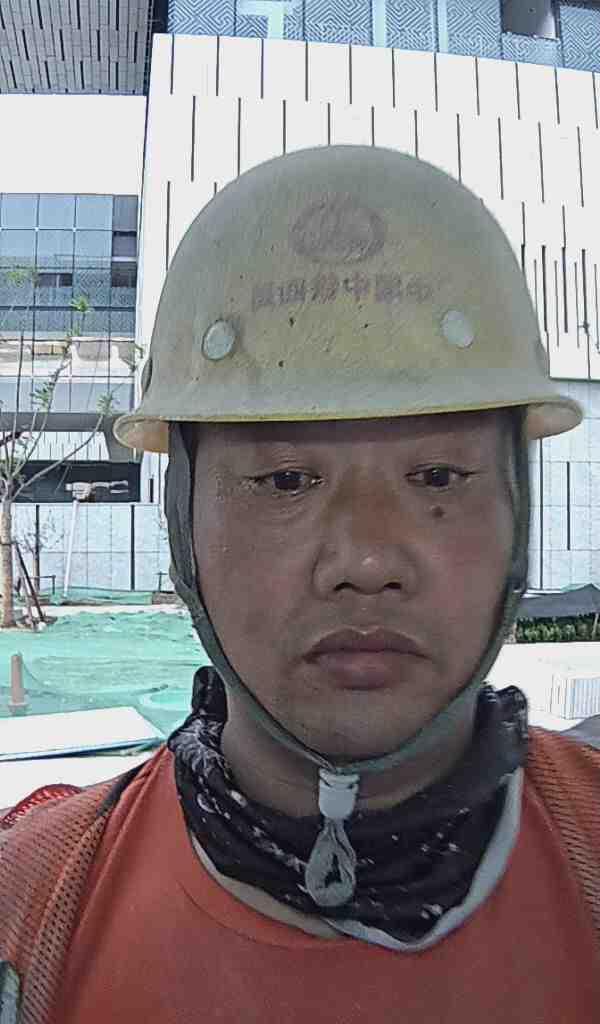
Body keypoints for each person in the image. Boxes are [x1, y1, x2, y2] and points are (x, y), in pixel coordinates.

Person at [2, 145, 600, 1023]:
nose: (365, 561)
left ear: (518, 506)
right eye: (285, 480)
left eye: (438, 477)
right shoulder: (32, 907)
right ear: (184, 524)